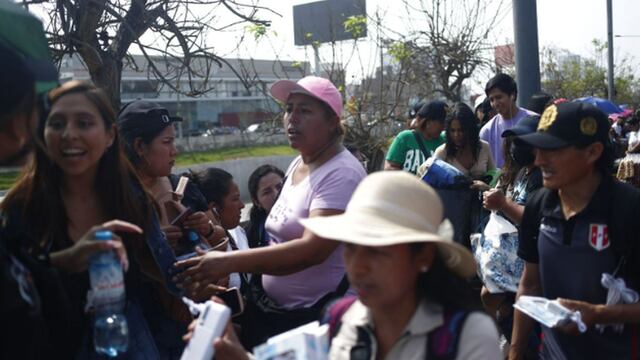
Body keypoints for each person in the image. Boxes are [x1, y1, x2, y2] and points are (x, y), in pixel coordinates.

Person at [199, 171, 501, 359]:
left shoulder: (467, 336)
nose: (358, 267)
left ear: (422, 256)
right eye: (351, 248)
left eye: (377, 252)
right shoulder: (340, 319)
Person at [174, 76, 366, 347]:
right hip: (279, 314)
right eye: (289, 109)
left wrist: (229, 261)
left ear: (333, 121)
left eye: (305, 110)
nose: (292, 118)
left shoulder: (341, 173)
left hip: (316, 321)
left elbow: (312, 251)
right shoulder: (300, 162)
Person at [0, 81, 166, 358]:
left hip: (131, 341)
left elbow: (154, 278)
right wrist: (66, 260)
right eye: (56, 124)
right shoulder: (21, 208)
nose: (69, 134)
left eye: (84, 123)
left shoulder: (131, 199)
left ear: (110, 135)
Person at [510, 102, 640, 359]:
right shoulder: (537, 205)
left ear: (593, 152)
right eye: (537, 149)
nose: (538, 160)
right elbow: (530, 284)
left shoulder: (629, 209)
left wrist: (599, 314)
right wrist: (514, 353)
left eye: (552, 150)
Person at [118, 100, 227, 357]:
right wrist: (152, 244)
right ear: (139, 147)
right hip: (144, 329)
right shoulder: (116, 199)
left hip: (191, 322)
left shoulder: (182, 187)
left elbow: (223, 240)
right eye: (166, 143)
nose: (174, 151)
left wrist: (206, 228)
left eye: (173, 142)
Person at [481, 115, 543, 357]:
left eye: (522, 141)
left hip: (531, 262)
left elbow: (534, 218)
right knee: (493, 299)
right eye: (513, 141)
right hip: (515, 256)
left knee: (491, 297)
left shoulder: (540, 177)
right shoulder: (524, 174)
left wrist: (503, 204)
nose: (516, 147)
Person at [189, 167, 249, 291]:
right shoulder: (198, 248)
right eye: (235, 199)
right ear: (214, 208)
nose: (242, 205)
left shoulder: (239, 232)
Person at [430, 102, 495, 190]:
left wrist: (486, 187)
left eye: (461, 130)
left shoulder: (484, 147)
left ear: (470, 129)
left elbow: (495, 180)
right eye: (452, 131)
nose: (456, 135)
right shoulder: (442, 152)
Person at [480, 74, 536, 168]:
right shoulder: (487, 131)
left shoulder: (533, 120)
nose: (495, 103)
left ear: (512, 95)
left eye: (499, 97)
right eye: (491, 99)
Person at [385, 100, 447, 174]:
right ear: (428, 123)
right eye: (441, 123)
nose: (443, 127)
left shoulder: (443, 142)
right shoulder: (405, 138)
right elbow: (389, 168)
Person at [244, 164, 285, 249]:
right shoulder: (249, 237)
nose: (276, 194)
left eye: (279, 187)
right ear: (256, 201)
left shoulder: (308, 216)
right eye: (267, 192)